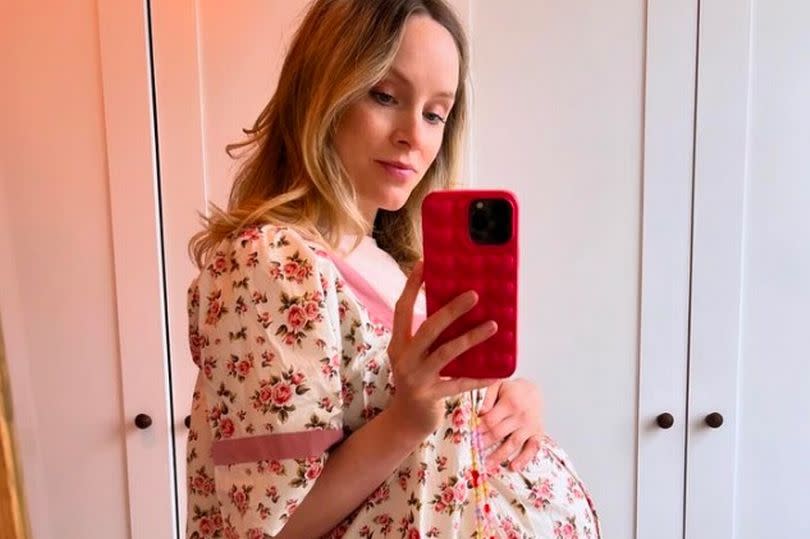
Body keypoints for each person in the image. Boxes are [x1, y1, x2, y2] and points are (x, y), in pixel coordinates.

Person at [184, 1, 601, 537]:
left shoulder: (392, 262)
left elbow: (421, 419)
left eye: (435, 113)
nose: (414, 135)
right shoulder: (272, 264)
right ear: (322, 91)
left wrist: (506, 404)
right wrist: (410, 417)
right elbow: (268, 526)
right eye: (385, 96)